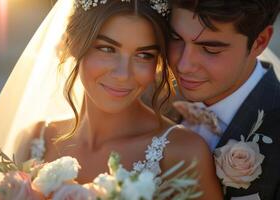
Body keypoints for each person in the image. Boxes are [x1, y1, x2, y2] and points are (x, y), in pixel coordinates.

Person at [22, 0, 223, 199]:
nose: (123, 74)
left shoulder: (181, 153)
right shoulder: (40, 139)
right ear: (72, 44)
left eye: (144, 55)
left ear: (159, 63)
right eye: (107, 49)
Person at [168, 0, 280, 199]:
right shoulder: (148, 93)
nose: (183, 66)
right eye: (175, 38)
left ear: (260, 42)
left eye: (211, 50)